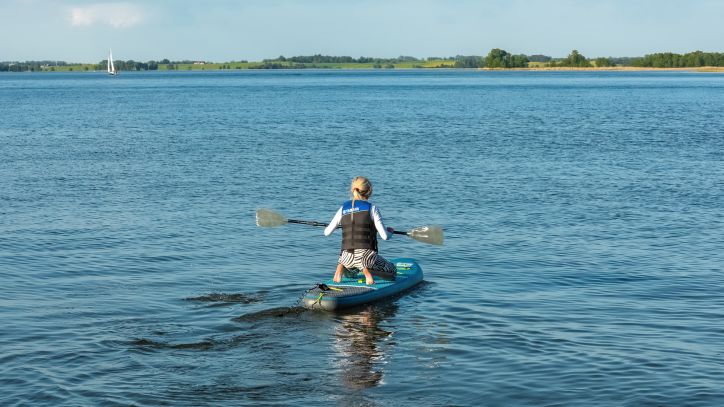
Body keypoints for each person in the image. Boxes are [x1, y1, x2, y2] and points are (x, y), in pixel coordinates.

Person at [324, 177, 397, 285]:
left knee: (351, 268)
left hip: (346, 257)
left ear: (353, 190)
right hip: (366, 256)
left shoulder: (343, 208)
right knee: (393, 272)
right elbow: (385, 236)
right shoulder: (372, 208)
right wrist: (390, 231)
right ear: (369, 191)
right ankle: (366, 270)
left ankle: (342, 268)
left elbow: (326, 232)